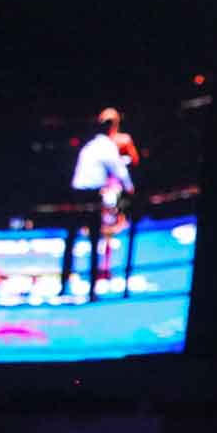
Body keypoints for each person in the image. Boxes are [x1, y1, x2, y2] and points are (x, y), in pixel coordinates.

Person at [66, 107, 136, 300]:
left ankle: (74, 280)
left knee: (82, 236)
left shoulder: (98, 144)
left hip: (90, 191)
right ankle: (91, 287)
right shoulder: (105, 145)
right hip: (95, 192)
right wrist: (130, 188)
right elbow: (121, 171)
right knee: (96, 235)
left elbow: (129, 163)